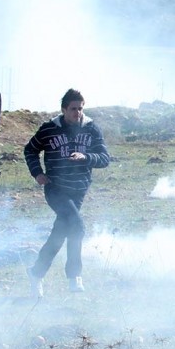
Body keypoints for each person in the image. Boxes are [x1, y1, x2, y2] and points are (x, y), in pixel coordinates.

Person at [24, 89, 110, 297]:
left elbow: (104, 158)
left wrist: (86, 157)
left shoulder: (91, 129)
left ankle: (36, 273)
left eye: (80, 109)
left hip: (78, 190)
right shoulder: (49, 129)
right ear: (63, 109)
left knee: (61, 232)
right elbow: (30, 150)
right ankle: (74, 276)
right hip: (56, 189)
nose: (77, 113)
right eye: (73, 109)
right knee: (77, 226)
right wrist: (37, 173)